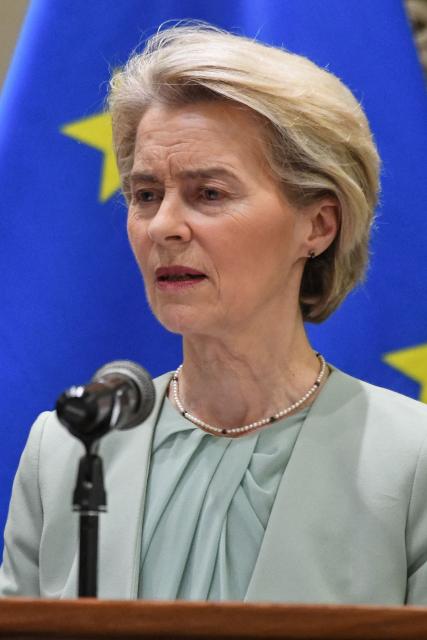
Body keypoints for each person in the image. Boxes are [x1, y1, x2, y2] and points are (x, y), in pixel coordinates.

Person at [1, 23, 427, 604]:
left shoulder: (412, 460)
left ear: (318, 226)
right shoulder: (69, 450)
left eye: (209, 194)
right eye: (146, 194)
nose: (164, 227)